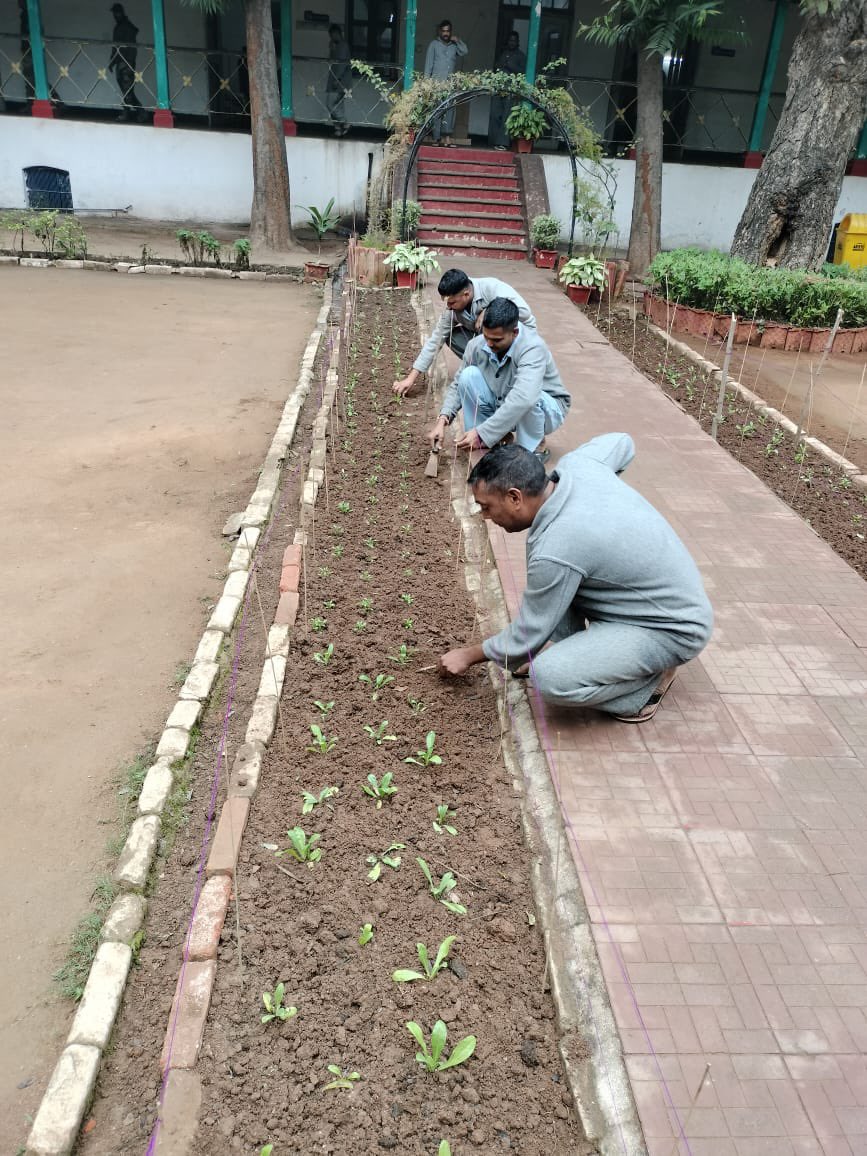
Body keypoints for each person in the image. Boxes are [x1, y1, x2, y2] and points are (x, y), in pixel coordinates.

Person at [439, 435, 714, 723]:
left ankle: (645, 687)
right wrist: (607, 492)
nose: (484, 516)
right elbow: (622, 441)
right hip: (658, 601)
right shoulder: (579, 466)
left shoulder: (557, 548)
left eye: (486, 507)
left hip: (672, 627)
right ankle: (603, 656)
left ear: (514, 497)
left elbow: (529, 630)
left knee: (550, 678)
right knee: (559, 591)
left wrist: (468, 655)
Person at [426, 296, 569, 458]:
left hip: (546, 410)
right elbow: (458, 384)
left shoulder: (533, 348)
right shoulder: (477, 345)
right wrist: (442, 420)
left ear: (514, 333)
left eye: (496, 339)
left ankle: (532, 449)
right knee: (468, 376)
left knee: (530, 395)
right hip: (505, 401)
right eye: (486, 337)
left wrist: (483, 432)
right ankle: (493, 438)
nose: (489, 344)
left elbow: (524, 397)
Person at [393, 268, 536, 397]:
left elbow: (525, 312)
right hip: (488, 340)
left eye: (452, 303)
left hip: (516, 337)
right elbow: (435, 341)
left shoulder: (492, 288)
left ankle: (509, 373)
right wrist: (411, 378)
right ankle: (489, 370)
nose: (448, 308)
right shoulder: (453, 310)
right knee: (449, 336)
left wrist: (488, 311)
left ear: (466, 294)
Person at [424, 19, 467, 146]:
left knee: (449, 111)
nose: (445, 33)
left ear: (451, 32)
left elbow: (464, 51)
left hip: (450, 85)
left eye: (448, 31)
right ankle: (436, 138)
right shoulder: (433, 45)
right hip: (436, 84)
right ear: (439, 31)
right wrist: (427, 85)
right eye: (443, 31)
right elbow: (428, 66)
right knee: (437, 110)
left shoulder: (454, 46)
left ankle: (447, 137)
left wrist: (458, 40)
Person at [488, 31, 525, 150]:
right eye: (510, 40)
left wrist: (509, 66)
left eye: (514, 40)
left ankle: (503, 143)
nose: (512, 42)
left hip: (511, 90)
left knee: (506, 116)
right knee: (495, 114)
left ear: (518, 42)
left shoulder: (521, 56)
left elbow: (522, 72)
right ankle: (494, 141)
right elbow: (497, 67)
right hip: (499, 88)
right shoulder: (503, 53)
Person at [109, 3, 145, 122]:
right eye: (114, 13)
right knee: (127, 91)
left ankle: (127, 113)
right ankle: (140, 113)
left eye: (116, 12)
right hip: (122, 63)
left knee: (127, 90)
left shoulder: (126, 27)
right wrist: (112, 62)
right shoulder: (121, 26)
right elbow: (116, 47)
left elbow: (126, 47)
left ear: (121, 13)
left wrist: (126, 63)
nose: (115, 15)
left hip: (126, 63)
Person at [326, 24, 352, 137]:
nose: (331, 38)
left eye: (332, 35)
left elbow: (341, 64)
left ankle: (344, 124)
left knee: (330, 104)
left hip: (339, 82)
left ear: (336, 33)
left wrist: (337, 79)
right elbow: (332, 61)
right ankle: (338, 129)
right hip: (336, 80)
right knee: (338, 105)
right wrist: (332, 49)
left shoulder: (343, 46)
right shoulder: (337, 46)